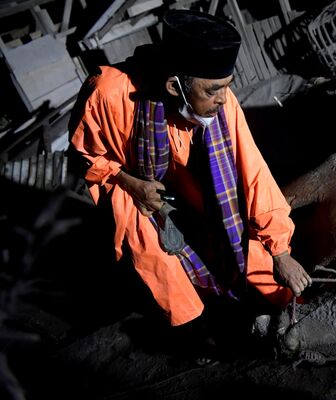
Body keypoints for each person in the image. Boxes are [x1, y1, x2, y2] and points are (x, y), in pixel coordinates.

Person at [68, 9, 312, 356]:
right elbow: (86, 158)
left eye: (227, 88)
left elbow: (254, 173)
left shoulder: (220, 108)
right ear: (174, 86)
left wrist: (282, 251)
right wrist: (131, 182)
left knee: (240, 238)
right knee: (150, 248)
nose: (224, 99)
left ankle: (281, 301)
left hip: (185, 182)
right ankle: (196, 333)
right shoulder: (109, 94)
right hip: (136, 187)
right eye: (213, 91)